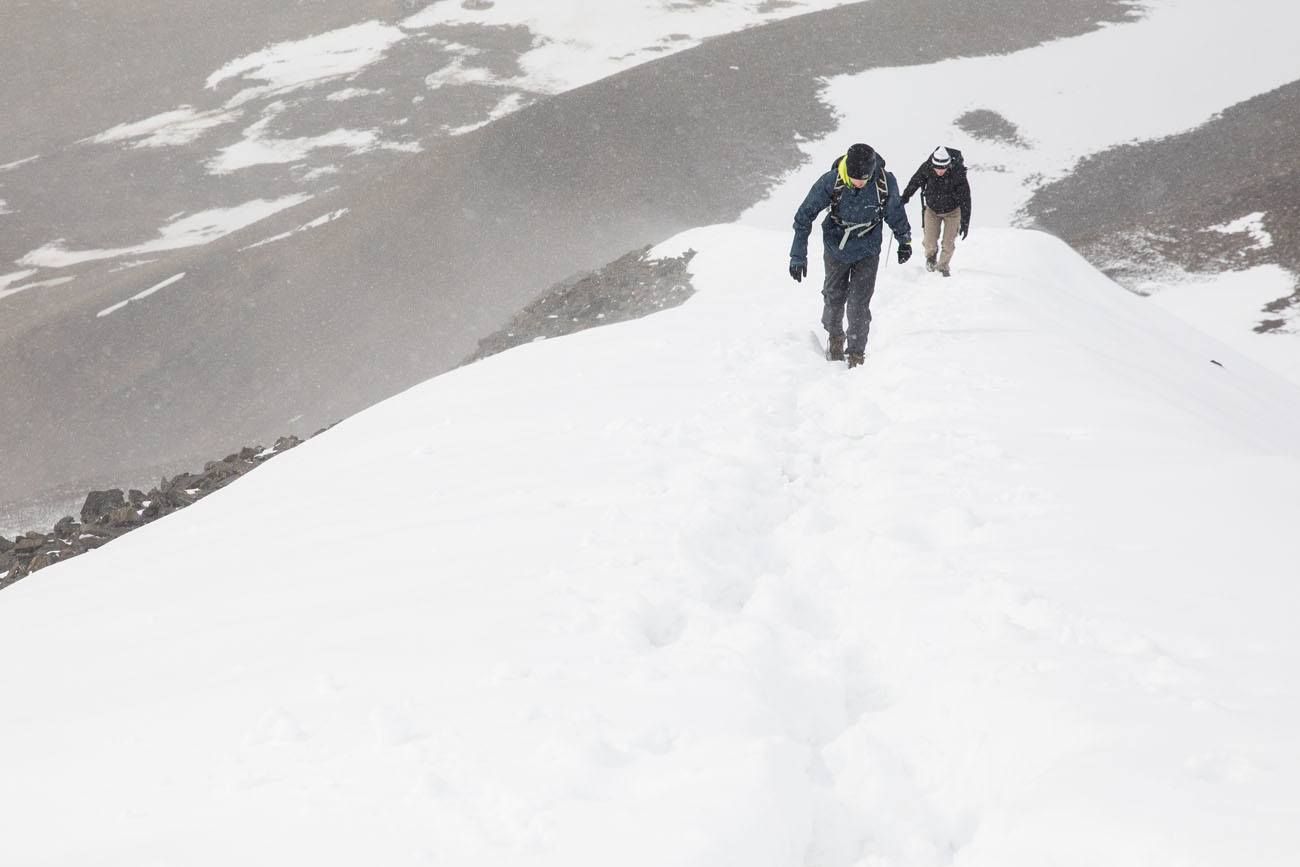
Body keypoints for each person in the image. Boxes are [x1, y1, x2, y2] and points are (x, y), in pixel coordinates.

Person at [789, 143, 912, 369]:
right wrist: (798, 255)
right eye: (855, 178)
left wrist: (904, 240)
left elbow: (894, 211)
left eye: (864, 179)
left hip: (868, 248)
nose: (859, 183)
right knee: (834, 298)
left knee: (858, 304)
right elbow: (804, 216)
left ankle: (856, 354)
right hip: (836, 246)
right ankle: (835, 337)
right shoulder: (831, 181)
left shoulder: (884, 182)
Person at [900, 146, 970, 277]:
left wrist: (965, 222)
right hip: (932, 210)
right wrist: (905, 197)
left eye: (942, 168)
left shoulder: (958, 173)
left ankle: (943, 266)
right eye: (937, 168)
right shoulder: (927, 167)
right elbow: (915, 182)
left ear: (948, 165)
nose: (939, 171)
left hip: (953, 212)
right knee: (929, 241)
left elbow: (966, 199)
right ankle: (931, 258)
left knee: (948, 243)